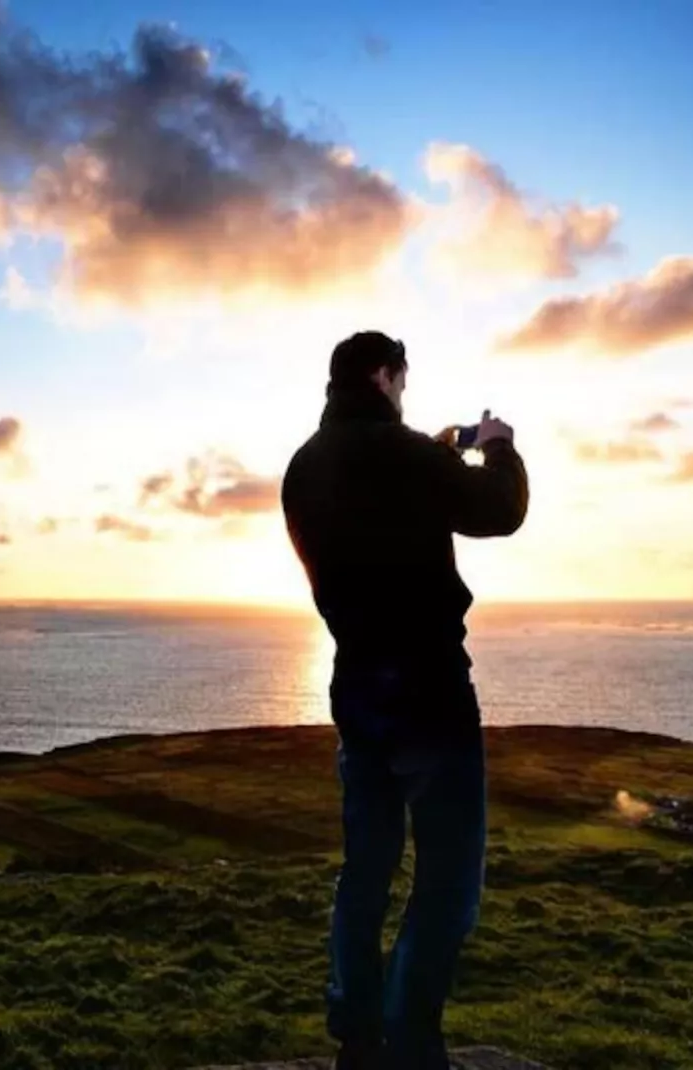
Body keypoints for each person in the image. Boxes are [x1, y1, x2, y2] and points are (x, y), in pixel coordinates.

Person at [280, 331, 528, 1070]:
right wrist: (498, 446)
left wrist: (435, 451)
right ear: (385, 376)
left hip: (355, 687)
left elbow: (374, 512)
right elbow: (498, 510)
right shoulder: (409, 455)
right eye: (402, 383)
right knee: (449, 884)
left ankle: (357, 1034)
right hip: (429, 687)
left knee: (366, 871)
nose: (404, 396)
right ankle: (411, 1041)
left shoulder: (303, 466)